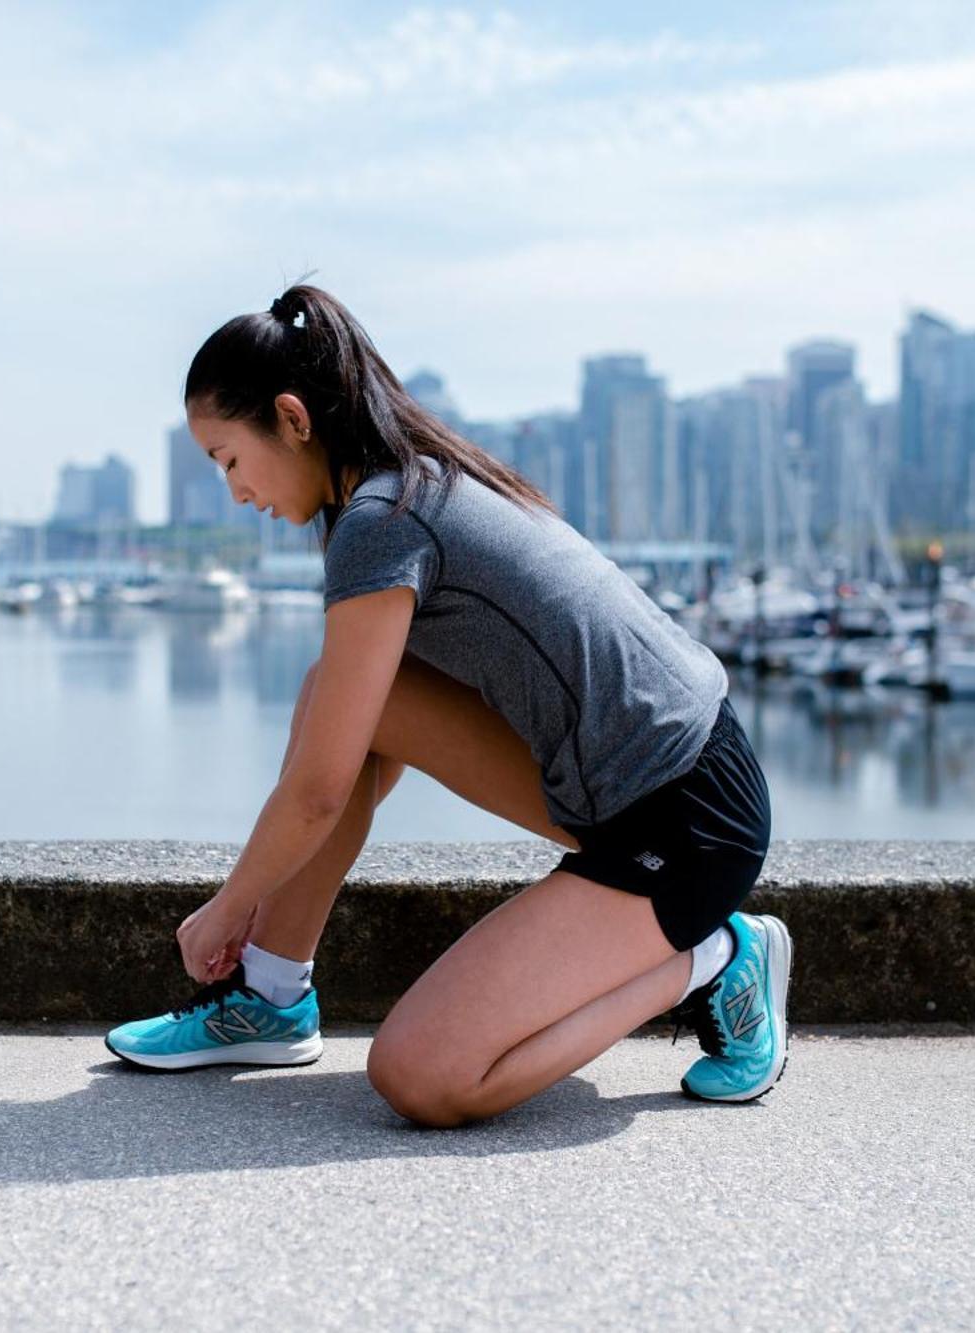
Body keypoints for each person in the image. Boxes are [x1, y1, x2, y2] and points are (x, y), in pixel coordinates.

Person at [104, 282, 784, 1128]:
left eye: (228, 459)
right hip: (622, 779)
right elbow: (343, 751)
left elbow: (318, 792)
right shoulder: (400, 488)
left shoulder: (382, 521)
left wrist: (228, 906)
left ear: (292, 418)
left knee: (422, 1074)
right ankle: (273, 999)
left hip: (683, 816)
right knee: (338, 697)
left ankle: (716, 955)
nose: (233, 491)